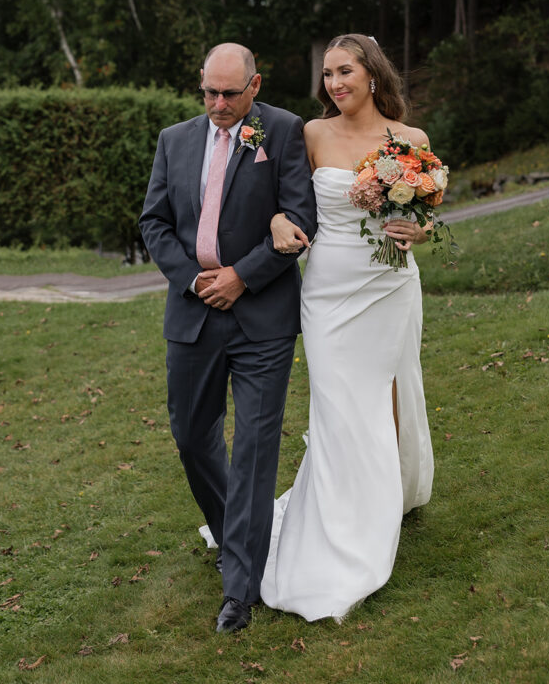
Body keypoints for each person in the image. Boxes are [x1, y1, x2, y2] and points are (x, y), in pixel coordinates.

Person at [139, 43, 317, 633]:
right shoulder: (175, 140)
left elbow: (300, 219)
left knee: (255, 449)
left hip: (261, 316)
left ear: (255, 85)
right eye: (209, 92)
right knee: (192, 436)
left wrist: (242, 276)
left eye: (230, 93)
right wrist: (195, 280)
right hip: (192, 314)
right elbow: (154, 223)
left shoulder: (284, 132)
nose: (218, 104)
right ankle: (231, 533)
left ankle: (240, 586)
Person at [259, 33, 435, 622]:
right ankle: (337, 524)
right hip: (330, 290)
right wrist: (282, 219)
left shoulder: (412, 142)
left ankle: (384, 500)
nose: (334, 83)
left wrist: (421, 231)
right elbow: (280, 198)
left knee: (386, 395)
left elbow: (421, 215)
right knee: (337, 404)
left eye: (344, 71)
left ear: (373, 74)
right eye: (327, 74)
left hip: (391, 286)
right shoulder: (312, 133)